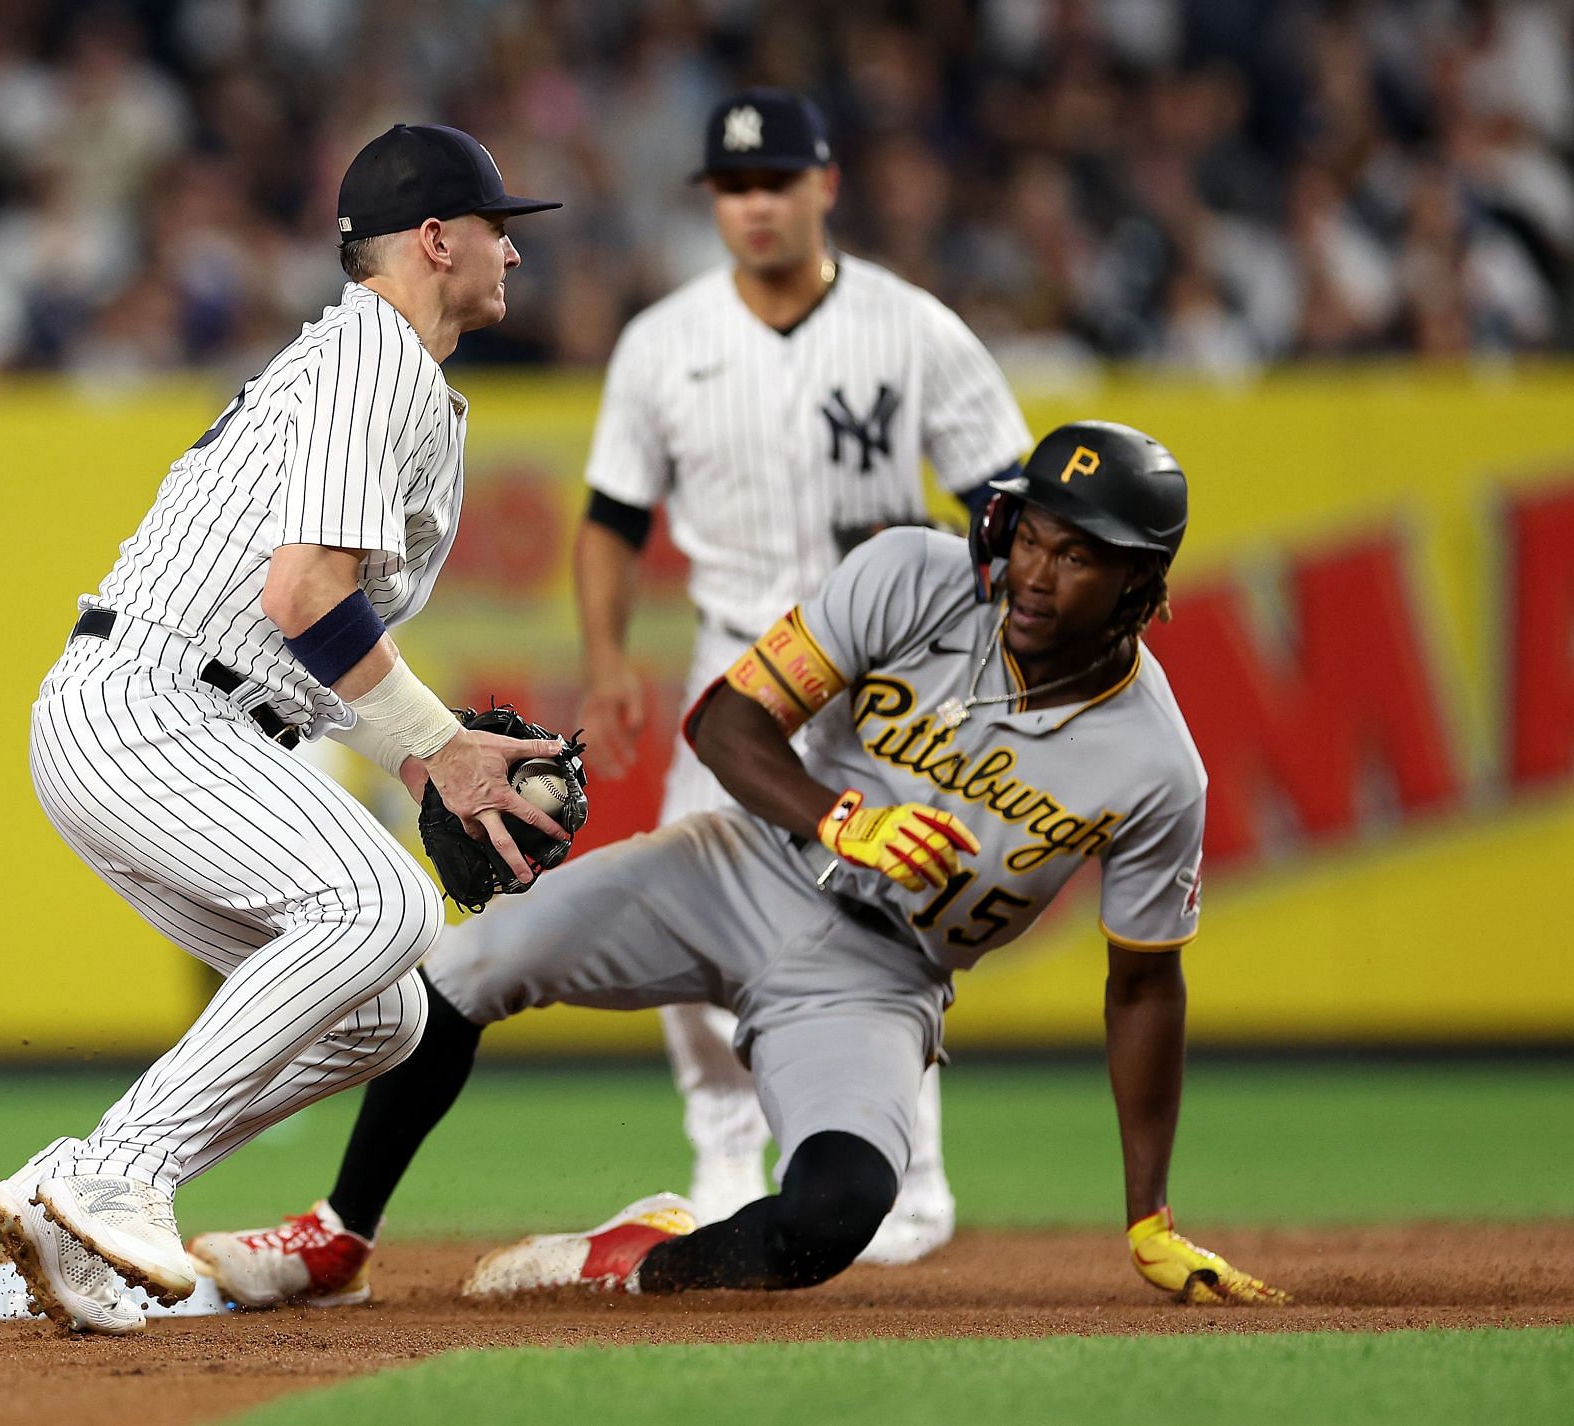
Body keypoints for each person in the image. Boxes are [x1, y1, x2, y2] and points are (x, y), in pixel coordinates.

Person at [185, 420, 1287, 1309]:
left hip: (879, 977)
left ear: (1141, 581)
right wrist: (838, 817)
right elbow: (725, 723)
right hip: (741, 864)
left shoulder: (1156, 767)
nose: (1038, 572)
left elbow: (1145, 984)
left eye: (1079, 553)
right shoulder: (918, 573)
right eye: (1034, 535)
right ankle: (339, 1236)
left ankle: (631, 1260)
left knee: (837, 1211)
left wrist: (1149, 1216)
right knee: (458, 977)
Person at [0, 124, 567, 1336]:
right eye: (500, 226)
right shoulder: (376, 353)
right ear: (437, 239)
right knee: (384, 906)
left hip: (192, 715)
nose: (515, 249)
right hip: (152, 706)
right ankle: (115, 1170)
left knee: (383, 1015)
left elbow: (311, 625)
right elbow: (301, 594)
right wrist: (442, 749)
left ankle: (60, 1210)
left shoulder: (386, 369)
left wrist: (424, 752)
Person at [573, 88, 1032, 1261]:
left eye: (776, 180)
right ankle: (726, 1148)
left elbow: (1004, 500)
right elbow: (613, 518)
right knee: (685, 898)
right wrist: (609, 655)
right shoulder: (662, 343)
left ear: (826, 185)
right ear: (713, 202)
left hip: (889, 676)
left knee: (895, 914)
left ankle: (911, 1166)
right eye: (734, 187)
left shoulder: (913, 327)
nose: (756, 205)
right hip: (739, 667)